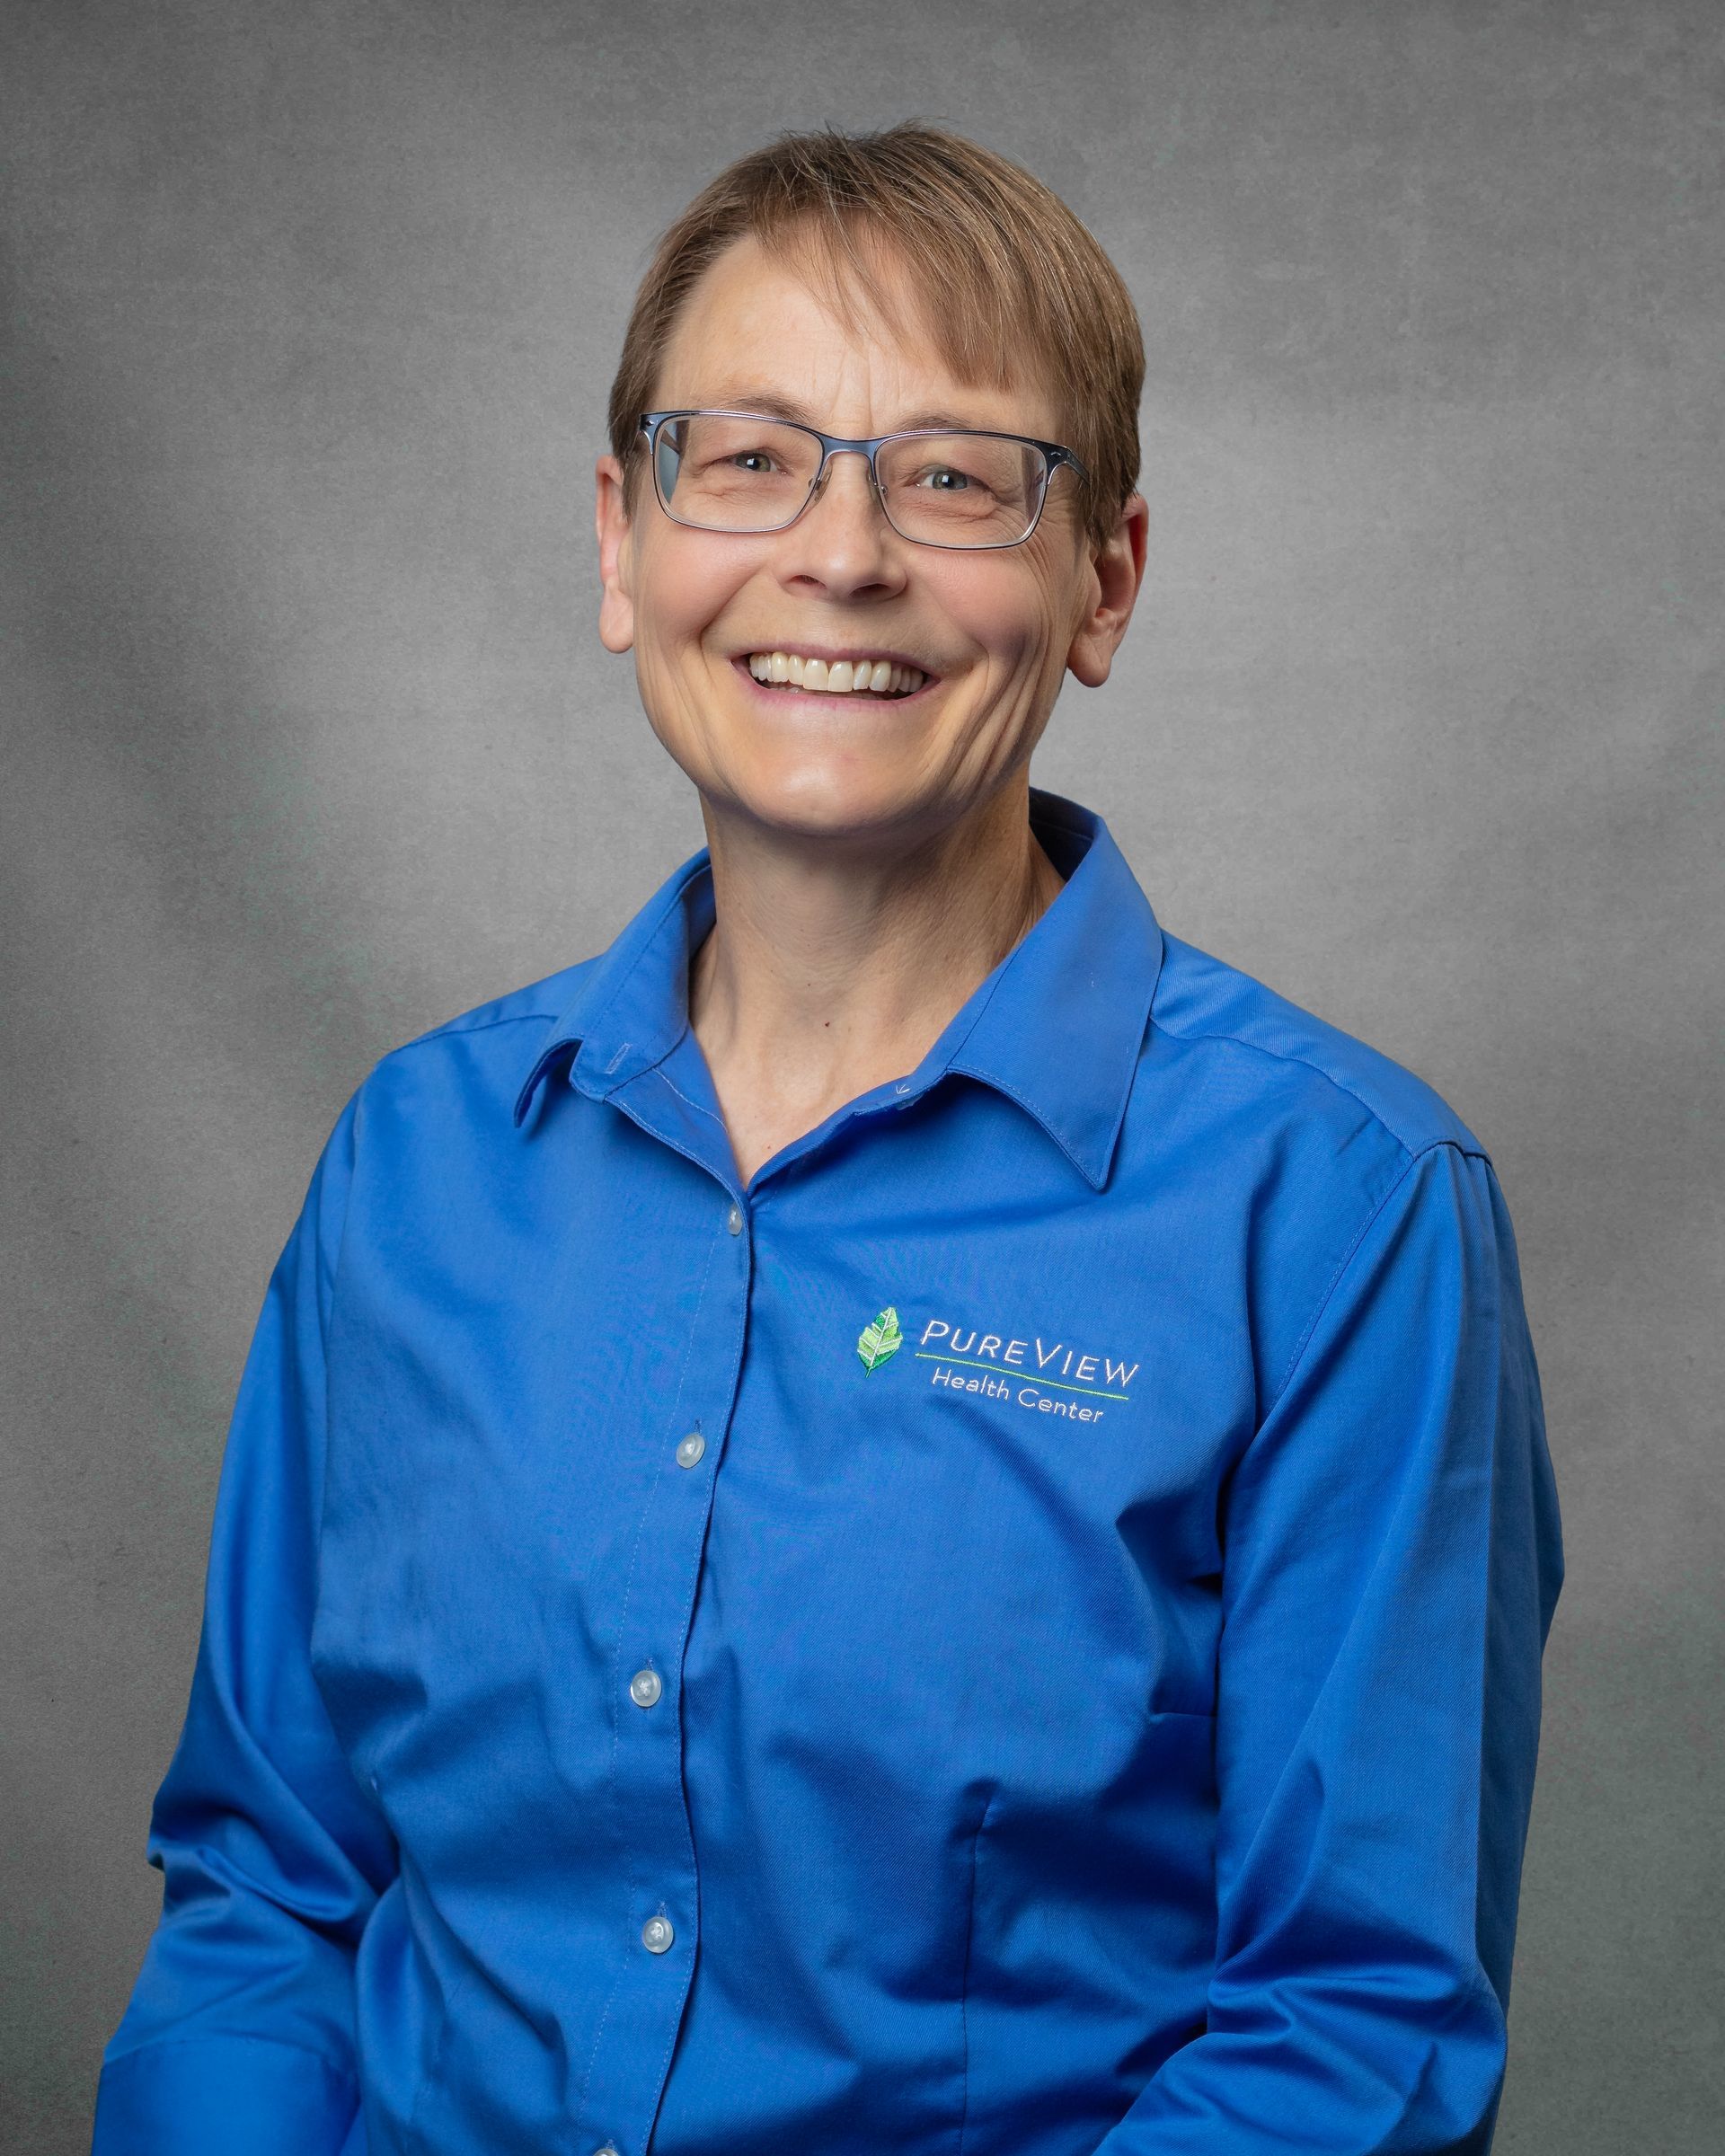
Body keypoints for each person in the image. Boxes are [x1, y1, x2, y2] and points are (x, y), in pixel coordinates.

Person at [93, 124, 1564, 2156]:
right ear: (626, 543)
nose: (843, 557)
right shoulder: (414, 1167)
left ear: (1103, 581)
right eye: (751, 456)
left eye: (957, 477)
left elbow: (1352, 2030)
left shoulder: (1343, 1211)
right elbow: (269, 1893)